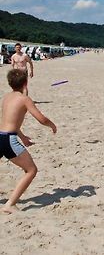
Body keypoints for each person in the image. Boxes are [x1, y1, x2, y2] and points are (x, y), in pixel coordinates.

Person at [1, 69, 57, 214]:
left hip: (1, 135)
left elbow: (11, 121)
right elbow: (41, 119)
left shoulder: (6, 97)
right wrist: (52, 125)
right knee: (31, 170)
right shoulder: (25, 99)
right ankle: (10, 204)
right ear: (25, 83)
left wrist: (23, 137)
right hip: (8, 140)